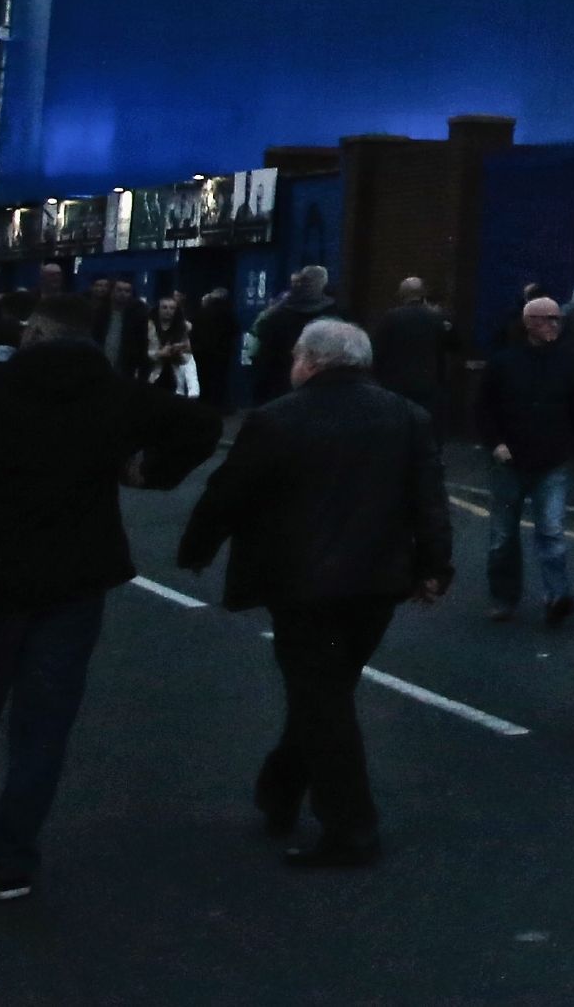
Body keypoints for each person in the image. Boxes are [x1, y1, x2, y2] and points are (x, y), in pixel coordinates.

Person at [0, 291, 223, 898]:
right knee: (42, 727)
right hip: (74, 582)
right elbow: (201, 425)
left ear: (37, 332)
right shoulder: (110, 394)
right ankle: (14, 860)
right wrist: (147, 472)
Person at [176, 317, 453, 867]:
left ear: (309, 360)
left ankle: (352, 829)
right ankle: (280, 791)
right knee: (326, 692)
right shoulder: (406, 416)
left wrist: (197, 546)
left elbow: (228, 491)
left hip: (301, 584)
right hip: (377, 583)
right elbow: (429, 499)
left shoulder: (277, 419)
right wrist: (434, 567)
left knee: (322, 698)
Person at [475, 294, 574, 626]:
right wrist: (495, 443)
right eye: (548, 319)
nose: (555, 324)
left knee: (552, 531)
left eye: (557, 319)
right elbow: (484, 408)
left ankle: (557, 595)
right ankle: (503, 597)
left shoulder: (568, 361)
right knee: (503, 536)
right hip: (510, 459)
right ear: (530, 322)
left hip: (552, 459)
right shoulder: (503, 362)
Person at [370, 278, 452, 428]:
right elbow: (449, 347)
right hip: (427, 380)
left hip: (394, 381)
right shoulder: (437, 318)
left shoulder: (391, 317)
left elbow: (378, 350)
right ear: (423, 294)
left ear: (401, 294)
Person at [246, 269, 331, 410]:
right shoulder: (336, 315)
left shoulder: (272, 315)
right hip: (322, 385)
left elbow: (254, 349)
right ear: (323, 283)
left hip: (277, 384)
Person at [190, 283, 239, 411]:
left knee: (203, 379)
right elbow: (234, 330)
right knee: (219, 380)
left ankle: (203, 406)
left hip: (201, 352)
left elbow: (193, 331)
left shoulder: (201, 311)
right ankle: (219, 406)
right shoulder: (228, 312)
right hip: (221, 353)